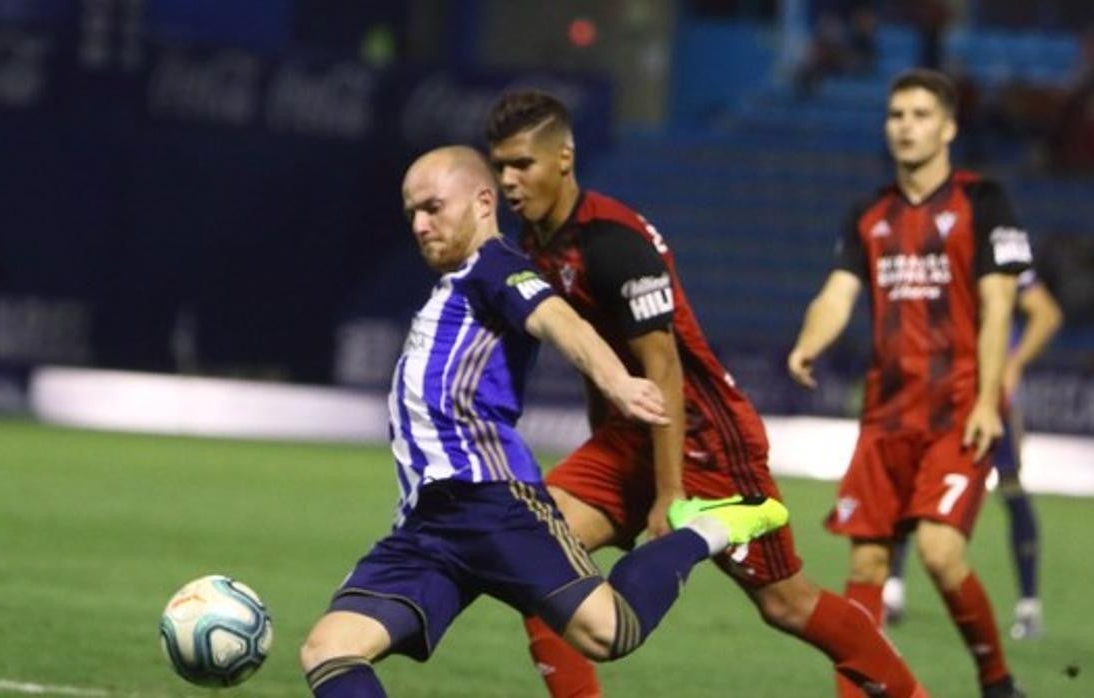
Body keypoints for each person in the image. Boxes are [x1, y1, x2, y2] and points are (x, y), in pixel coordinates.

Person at [298, 145, 791, 696]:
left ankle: (709, 528)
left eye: (433, 207)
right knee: (329, 651)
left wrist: (616, 380)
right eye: (411, 212)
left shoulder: (497, 266)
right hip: (427, 524)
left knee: (611, 633)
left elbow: (560, 320)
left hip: (494, 502)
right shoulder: (454, 285)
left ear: (483, 202)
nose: (419, 224)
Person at [486, 91, 927, 698]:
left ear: (564, 157)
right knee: (535, 557)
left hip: (705, 442)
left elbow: (663, 368)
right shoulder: (536, 243)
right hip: (630, 438)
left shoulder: (613, 243)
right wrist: (603, 439)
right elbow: (594, 353)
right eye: (500, 166)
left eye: (521, 165)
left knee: (787, 605)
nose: (509, 181)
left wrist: (668, 495)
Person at [787, 69, 1030, 698]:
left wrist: (987, 399)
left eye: (921, 114)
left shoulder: (984, 201)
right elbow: (837, 295)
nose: (906, 126)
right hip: (886, 417)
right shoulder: (868, 215)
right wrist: (811, 340)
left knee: (940, 552)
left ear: (948, 127)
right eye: (896, 115)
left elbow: (999, 305)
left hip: (957, 413)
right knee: (865, 565)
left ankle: (996, 681)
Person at [882, 269, 1063, 641]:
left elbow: (1046, 314)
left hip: (987, 397)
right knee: (911, 479)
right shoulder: (942, 251)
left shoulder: (1003, 255)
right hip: (938, 391)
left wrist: (1013, 363)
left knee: (1009, 487)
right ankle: (892, 590)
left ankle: (1028, 607)